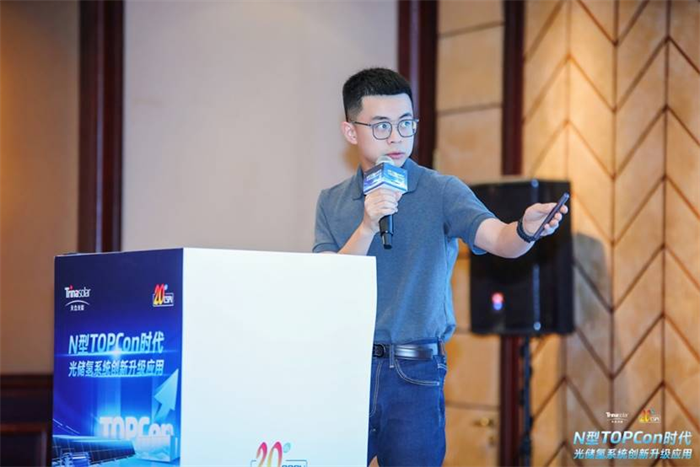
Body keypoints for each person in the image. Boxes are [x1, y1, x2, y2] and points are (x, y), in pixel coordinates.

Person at [312, 68, 568, 467]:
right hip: (345, 370)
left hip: (415, 372)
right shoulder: (331, 201)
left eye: (405, 123)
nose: (396, 137)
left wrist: (525, 229)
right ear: (351, 132)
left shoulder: (441, 190)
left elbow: (499, 239)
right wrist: (367, 226)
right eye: (381, 126)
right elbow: (325, 285)